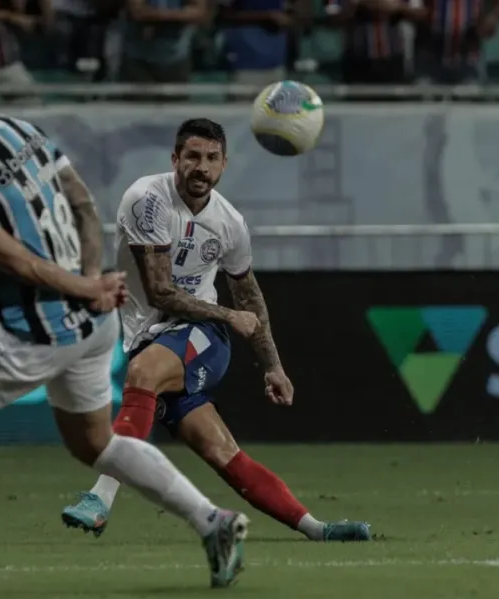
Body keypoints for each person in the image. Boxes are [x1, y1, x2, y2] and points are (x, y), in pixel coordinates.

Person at [0, 47, 250, 593]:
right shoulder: (23, 132)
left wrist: (84, 286)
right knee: (94, 444)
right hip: (93, 323)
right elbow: (83, 202)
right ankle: (212, 521)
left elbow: (17, 261)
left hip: (35, 330)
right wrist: (92, 282)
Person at [61, 119, 372, 543]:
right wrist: (229, 314)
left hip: (202, 334)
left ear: (224, 164)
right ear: (175, 159)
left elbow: (249, 296)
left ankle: (100, 498)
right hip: (153, 334)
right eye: (192, 156)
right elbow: (160, 292)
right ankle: (317, 529)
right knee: (222, 451)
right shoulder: (147, 199)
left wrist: (273, 365)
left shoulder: (229, 223)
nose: (201, 167)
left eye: (211, 158)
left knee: (143, 374)